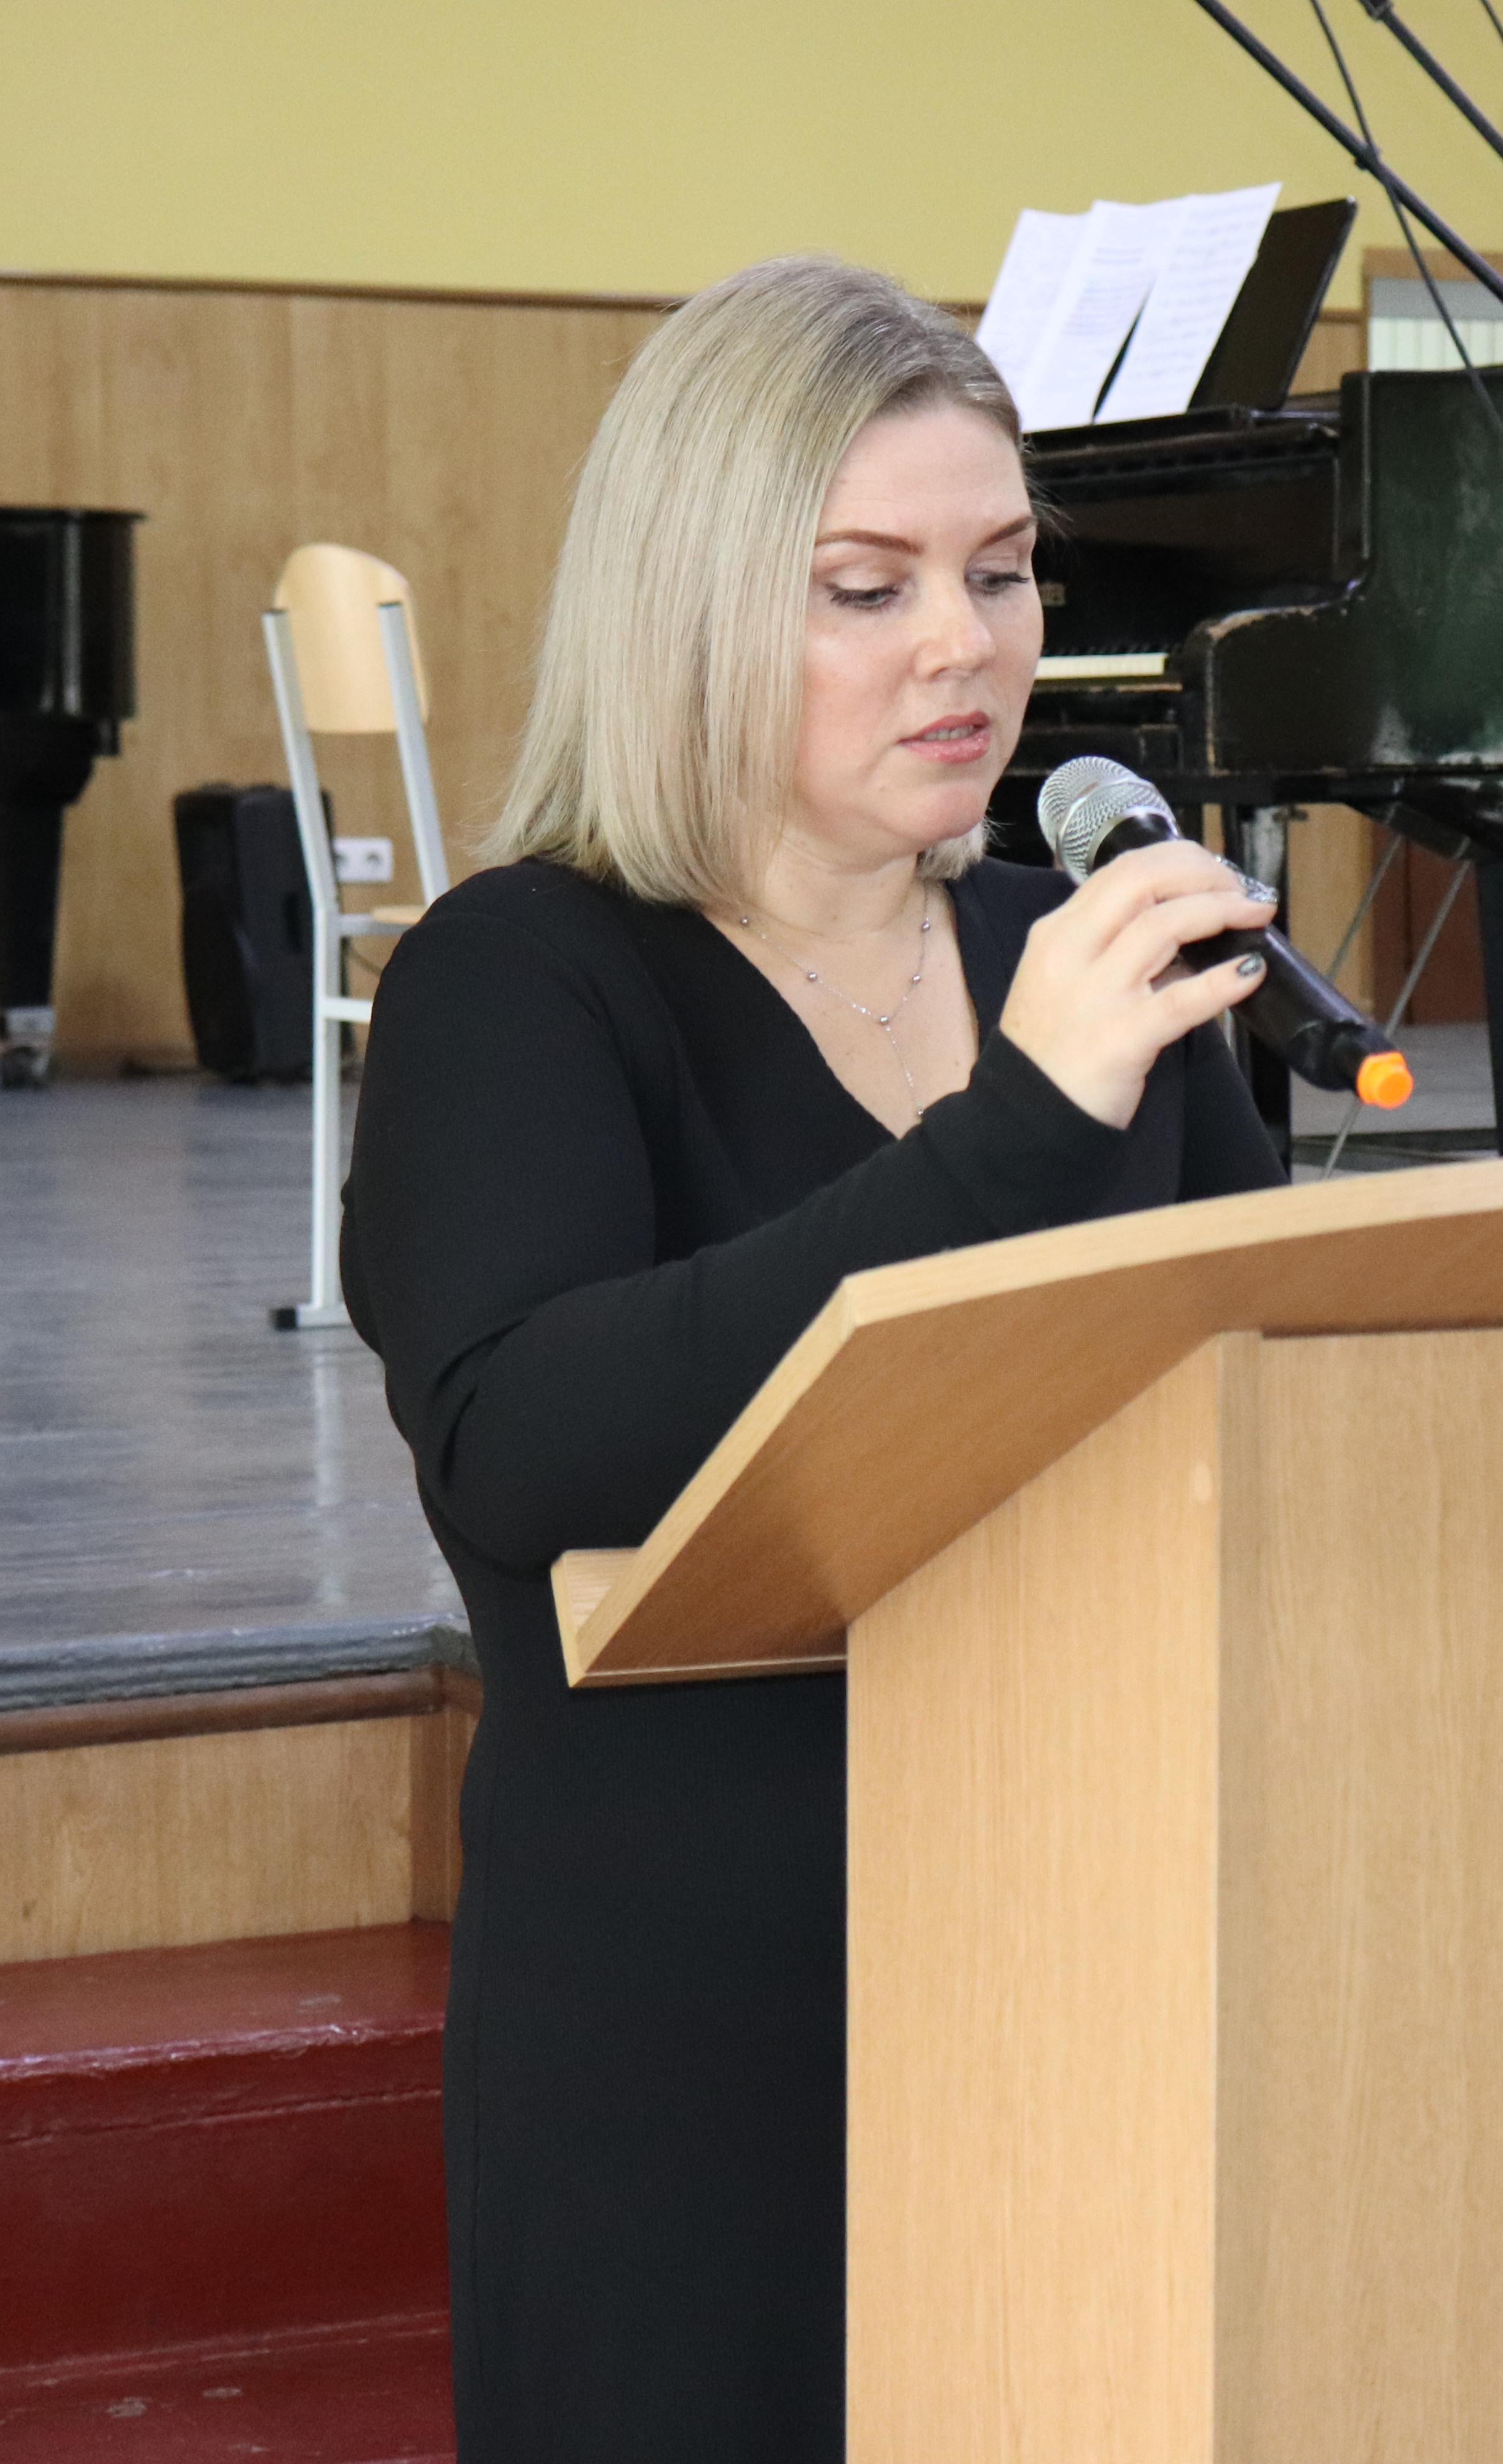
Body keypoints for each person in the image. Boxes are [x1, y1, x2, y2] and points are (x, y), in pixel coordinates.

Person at [339, 255, 1288, 2462]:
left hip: (1102, 1961)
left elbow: (1262, 1392)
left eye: (1002, 571)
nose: (966, 644)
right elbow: (524, 1443)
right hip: (702, 2030)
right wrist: (1018, 1135)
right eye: (868, 589)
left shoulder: (1080, 961)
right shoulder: (526, 975)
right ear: (687, 612)